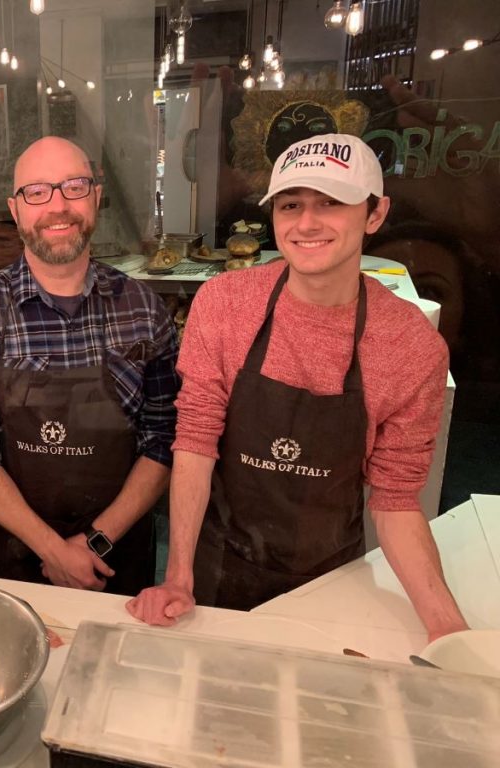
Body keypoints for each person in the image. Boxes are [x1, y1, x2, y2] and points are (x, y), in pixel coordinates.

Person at [126, 134, 469, 642]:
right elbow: (195, 443)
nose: (307, 224)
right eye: (291, 205)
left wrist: (449, 631)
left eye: (331, 203)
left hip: (330, 576)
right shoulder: (224, 305)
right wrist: (177, 577)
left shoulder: (410, 346)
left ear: (375, 214)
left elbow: (396, 500)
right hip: (219, 563)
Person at [0, 136, 180, 595]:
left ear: (96, 198)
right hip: (13, 558)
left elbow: (164, 439)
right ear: (15, 210)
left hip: (115, 558)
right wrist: (54, 550)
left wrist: (96, 541)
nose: (58, 205)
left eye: (74, 186)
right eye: (37, 192)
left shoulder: (145, 311)